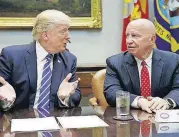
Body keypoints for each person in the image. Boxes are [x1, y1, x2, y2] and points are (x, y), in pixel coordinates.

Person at [0, 9, 81, 111]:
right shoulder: (11, 56)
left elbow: (76, 96)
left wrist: (64, 98)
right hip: (19, 120)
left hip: (54, 120)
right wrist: (5, 100)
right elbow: (2, 93)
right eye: (63, 31)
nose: (68, 37)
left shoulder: (69, 60)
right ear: (45, 35)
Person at [104, 18, 179, 113]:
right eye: (127, 35)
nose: (128, 41)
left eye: (135, 36)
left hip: (163, 118)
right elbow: (111, 92)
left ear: (152, 39)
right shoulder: (115, 63)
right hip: (131, 121)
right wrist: (139, 101)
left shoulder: (173, 60)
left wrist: (166, 102)